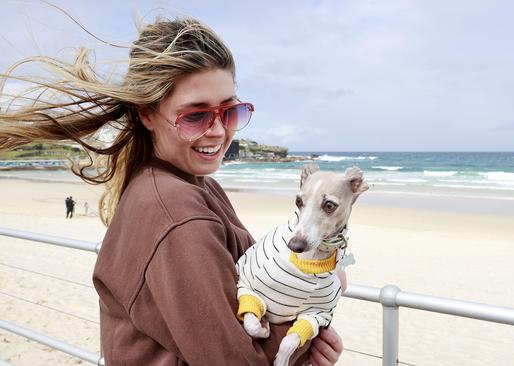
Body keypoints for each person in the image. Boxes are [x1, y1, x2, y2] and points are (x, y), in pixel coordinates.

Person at [0, 16, 343, 365]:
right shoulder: (176, 211)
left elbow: (259, 283)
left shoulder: (195, 186)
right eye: (195, 117)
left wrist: (313, 316)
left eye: (230, 111)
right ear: (147, 114)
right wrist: (311, 331)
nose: (218, 132)